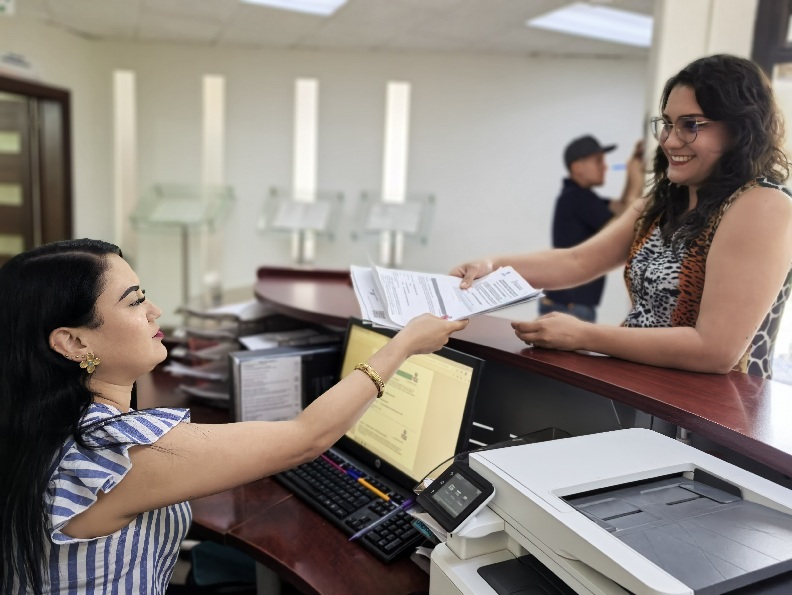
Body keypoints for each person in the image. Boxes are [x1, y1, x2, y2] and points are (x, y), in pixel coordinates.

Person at [0, 238, 468, 593]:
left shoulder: (34, 424)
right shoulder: (111, 452)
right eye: (135, 300)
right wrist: (403, 344)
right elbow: (306, 438)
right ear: (74, 343)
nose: (154, 311)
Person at [452, 54, 792, 379]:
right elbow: (576, 262)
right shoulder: (663, 201)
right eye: (668, 124)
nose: (670, 141)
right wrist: (490, 266)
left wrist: (585, 335)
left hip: (710, 416)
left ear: (739, 130)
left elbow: (715, 351)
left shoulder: (761, 205)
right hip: (644, 391)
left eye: (691, 125)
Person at [539, 135, 645, 322]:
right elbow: (621, 228)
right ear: (577, 167)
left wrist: (632, 171)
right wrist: (637, 181)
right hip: (570, 307)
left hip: (567, 303)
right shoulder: (577, 198)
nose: (605, 167)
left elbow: (621, 208)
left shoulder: (579, 196)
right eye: (598, 161)